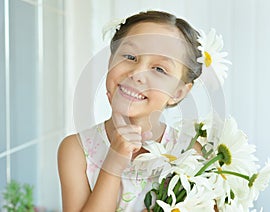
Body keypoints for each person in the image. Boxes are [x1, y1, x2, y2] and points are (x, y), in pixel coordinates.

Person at [58, 10, 203, 212]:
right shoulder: (76, 150)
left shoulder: (188, 154)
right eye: (130, 56)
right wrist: (113, 164)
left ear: (178, 92)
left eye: (159, 69)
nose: (136, 74)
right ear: (110, 61)